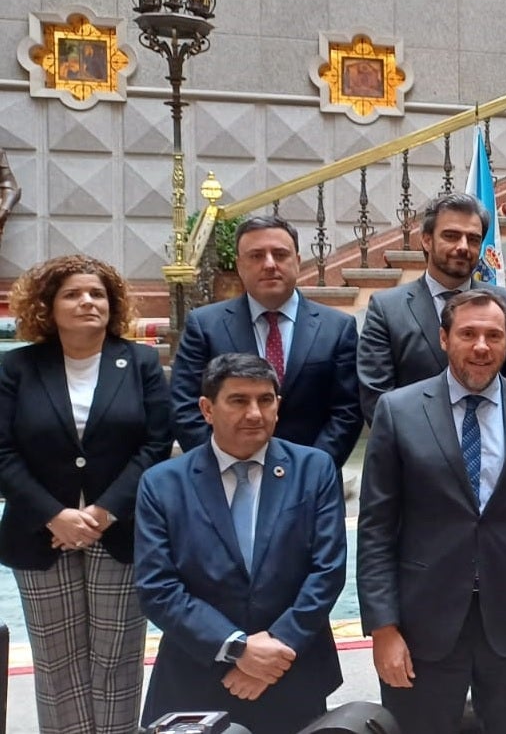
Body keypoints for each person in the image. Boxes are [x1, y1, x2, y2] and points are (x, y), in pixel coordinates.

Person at [358, 290, 506, 734]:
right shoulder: (398, 411)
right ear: (443, 338)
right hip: (423, 623)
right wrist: (383, 628)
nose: (481, 346)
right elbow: (376, 529)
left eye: (493, 335)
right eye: (468, 334)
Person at [0, 255, 171, 734]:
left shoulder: (137, 362)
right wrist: (54, 515)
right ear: (47, 306)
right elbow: (2, 450)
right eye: (73, 294)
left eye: (97, 294)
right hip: (40, 533)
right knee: (57, 662)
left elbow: (156, 444)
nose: (87, 302)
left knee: (117, 656)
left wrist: (103, 511)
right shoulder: (18, 367)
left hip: (118, 529)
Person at [136, 353, 346, 733]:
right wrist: (236, 649)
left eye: (265, 400)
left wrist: (274, 651)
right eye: (238, 400)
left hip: (291, 669)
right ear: (206, 408)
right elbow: (158, 588)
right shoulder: (163, 483)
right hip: (197, 673)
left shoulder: (314, 470)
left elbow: (327, 570)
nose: (254, 413)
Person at [170, 214, 363, 466]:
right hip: (223, 482)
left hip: (310, 485)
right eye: (256, 256)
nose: (270, 264)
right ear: (239, 266)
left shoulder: (337, 328)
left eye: (280, 254)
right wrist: (223, 465)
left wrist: (311, 472)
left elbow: (347, 412)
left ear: (297, 261)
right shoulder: (204, 325)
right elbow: (185, 406)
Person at [358, 192, 506, 422]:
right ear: (426, 240)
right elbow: (377, 398)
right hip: (416, 451)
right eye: (451, 236)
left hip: (493, 447)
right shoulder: (386, 309)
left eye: (473, 239)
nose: (463, 247)